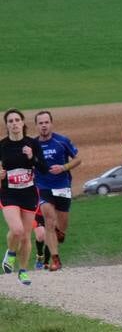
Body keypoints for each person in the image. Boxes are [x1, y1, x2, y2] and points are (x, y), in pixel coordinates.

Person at [2, 109, 49, 286]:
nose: (14, 123)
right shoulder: (2, 145)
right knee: (17, 230)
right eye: (10, 121)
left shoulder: (32, 144)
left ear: (22, 123)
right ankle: (11, 253)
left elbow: (43, 168)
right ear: (6, 125)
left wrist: (32, 157)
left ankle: (22, 271)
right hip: (9, 193)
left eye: (17, 120)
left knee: (26, 236)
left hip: (28, 193)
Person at [34, 109, 80, 271]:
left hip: (62, 186)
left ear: (51, 123)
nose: (44, 126)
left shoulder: (62, 141)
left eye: (46, 122)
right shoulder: (33, 145)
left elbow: (78, 159)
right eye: (41, 123)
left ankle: (60, 232)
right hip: (43, 186)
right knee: (49, 221)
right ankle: (55, 260)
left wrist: (64, 167)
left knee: (61, 224)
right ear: (36, 126)